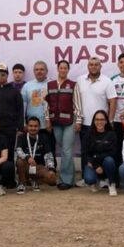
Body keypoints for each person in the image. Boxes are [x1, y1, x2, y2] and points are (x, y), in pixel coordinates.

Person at [76, 57, 117, 187]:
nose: (93, 67)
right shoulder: (80, 80)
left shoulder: (107, 81)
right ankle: (86, 177)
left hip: (102, 124)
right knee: (85, 151)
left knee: (103, 152)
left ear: (100, 66)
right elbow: (76, 101)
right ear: (88, 66)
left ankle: (104, 178)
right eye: (91, 64)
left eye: (96, 65)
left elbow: (113, 101)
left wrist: (109, 120)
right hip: (85, 123)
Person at [45, 59, 81, 191]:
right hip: (55, 122)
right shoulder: (50, 85)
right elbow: (46, 104)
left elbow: (77, 104)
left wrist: (78, 121)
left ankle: (64, 180)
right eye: (61, 68)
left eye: (66, 68)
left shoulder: (73, 85)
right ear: (58, 69)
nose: (63, 70)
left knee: (66, 150)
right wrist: (47, 119)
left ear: (68, 70)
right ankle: (71, 179)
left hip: (70, 122)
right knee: (65, 150)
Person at [0, 62, 25, 159]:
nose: (0, 77)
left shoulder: (15, 92)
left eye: (3, 75)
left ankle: (9, 173)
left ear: (7, 75)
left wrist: (20, 128)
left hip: (10, 128)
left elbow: (20, 110)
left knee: (9, 152)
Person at [14, 116, 58, 192]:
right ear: (27, 126)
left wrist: (51, 169)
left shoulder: (44, 137)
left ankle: (34, 180)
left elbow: (49, 155)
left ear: (39, 127)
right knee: (20, 161)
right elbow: (18, 150)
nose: (33, 128)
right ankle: (22, 183)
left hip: (38, 167)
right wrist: (27, 157)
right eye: (30, 126)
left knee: (52, 179)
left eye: (35, 126)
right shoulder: (21, 137)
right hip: (26, 166)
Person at [81, 110, 118, 195]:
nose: (99, 122)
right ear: (94, 121)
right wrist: (95, 165)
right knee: (89, 179)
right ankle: (96, 181)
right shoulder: (88, 135)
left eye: (102, 119)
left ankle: (111, 183)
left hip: (105, 164)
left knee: (109, 160)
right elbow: (84, 154)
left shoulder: (111, 134)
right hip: (93, 164)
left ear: (106, 121)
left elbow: (112, 153)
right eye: (97, 120)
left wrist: (94, 158)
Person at [21, 60, 49, 126]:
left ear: (46, 71)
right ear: (33, 72)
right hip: (32, 126)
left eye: (42, 69)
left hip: (48, 125)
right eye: (36, 70)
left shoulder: (52, 84)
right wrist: (24, 123)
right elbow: (23, 106)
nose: (39, 71)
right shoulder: (27, 86)